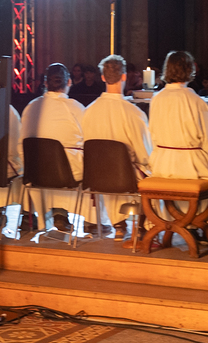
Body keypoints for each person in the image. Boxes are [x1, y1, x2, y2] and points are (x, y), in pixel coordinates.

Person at [82, 55, 152, 237]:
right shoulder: (134, 113)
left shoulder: (88, 111)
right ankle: (143, 226)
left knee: (110, 167)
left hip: (96, 176)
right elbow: (145, 153)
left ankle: (119, 225)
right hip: (125, 177)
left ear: (102, 77)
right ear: (124, 77)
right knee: (148, 170)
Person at [20, 63, 86, 231]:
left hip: (35, 172)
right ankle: (90, 221)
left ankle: (34, 214)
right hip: (66, 174)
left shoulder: (31, 107)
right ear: (69, 82)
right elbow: (90, 139)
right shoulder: (75, 108)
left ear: (45, 83)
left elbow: (22, 143)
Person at [147, 51, 208, 181]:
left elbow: (152, 134)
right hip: (192, 166)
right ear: (189, 70)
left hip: (162, 165)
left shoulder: (156, 99)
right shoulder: (196, 101)